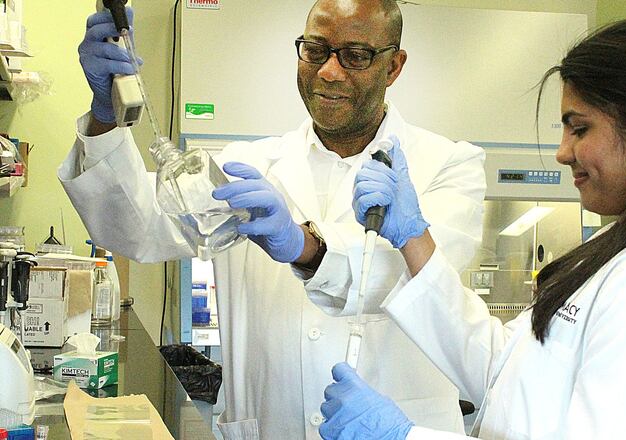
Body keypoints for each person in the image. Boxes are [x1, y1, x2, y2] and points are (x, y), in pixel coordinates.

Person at [320, 18, 626, 439]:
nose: (562, 152)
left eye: (580, 129)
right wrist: (412, 238)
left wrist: (403, 436)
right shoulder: (625, 249)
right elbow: (502, 368)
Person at [59, 1, 486, 439]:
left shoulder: (449, 165)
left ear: (393, 66)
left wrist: (307, 248)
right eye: (315, 50)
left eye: (355, 56)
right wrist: (106, 118)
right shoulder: (248, 165)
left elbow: (421, 279)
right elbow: (138, 229)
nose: (329, 72)